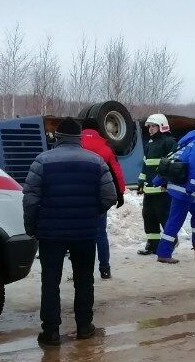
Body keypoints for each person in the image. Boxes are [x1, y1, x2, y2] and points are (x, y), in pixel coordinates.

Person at [22, 118, 118, 346]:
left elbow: (30, 199)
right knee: (84, 280)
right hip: (84, 233)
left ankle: (51, 332)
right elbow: (110, 196)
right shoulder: (96, 162)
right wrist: (90, 213)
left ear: (58, 138)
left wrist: (32, 226)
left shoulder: (42, 161)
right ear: (79, 138)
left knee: (50, 281)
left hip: (50, 233)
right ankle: (84, 327)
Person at [152, 121, 195, 263]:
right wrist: (193, 184)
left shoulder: (187, 142)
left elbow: (173, 159)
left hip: (182, 186)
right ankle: (164, 253)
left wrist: (159, 180)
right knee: (176, 219)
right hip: (185, 189)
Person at [81, 124, 127, 280]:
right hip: (99, 198)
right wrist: (120, 193)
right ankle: (104, 269)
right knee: (100, 233)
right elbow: (116, 172)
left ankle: (81, 270)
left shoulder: (75, 145)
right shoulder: (106, 148)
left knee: (80, 235)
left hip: (79, 198)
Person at [136, 113, 176, 255]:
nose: (150, 129)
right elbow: (145, 165)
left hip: (162, 188)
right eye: (149, 126)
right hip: (149, 188)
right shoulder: (149, 144)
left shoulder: (169, 142)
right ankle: (153, 245)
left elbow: (171, 165)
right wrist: (141, 181)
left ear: (162, 127)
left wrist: (165, 181)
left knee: (163, 216)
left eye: (154, 126)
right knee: (148, 215)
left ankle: (170, 242)